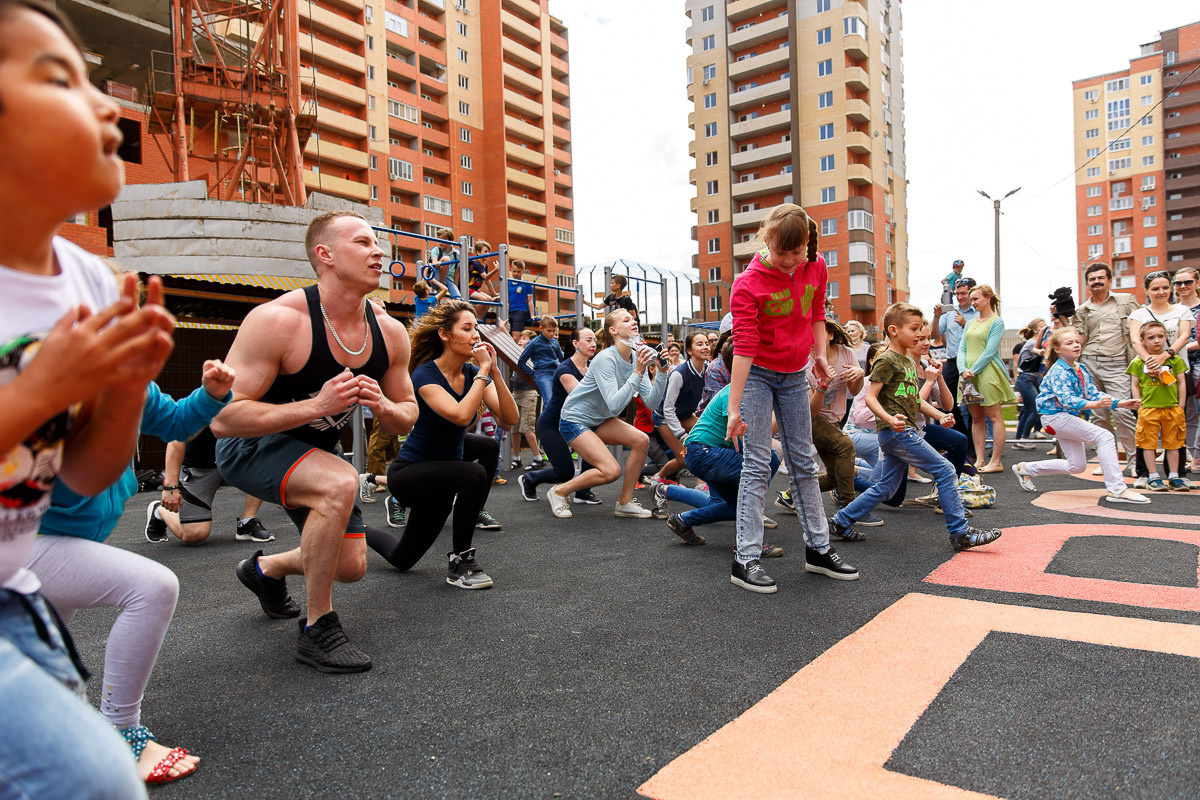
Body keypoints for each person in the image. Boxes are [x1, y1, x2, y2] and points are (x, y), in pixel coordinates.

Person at [0, 3, 175, 793]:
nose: (106, 105)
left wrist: (128, 387)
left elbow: (80, 473)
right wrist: (42, 388)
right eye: (59, 79)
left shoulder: (88, 281)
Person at [213, 210, 418, 674]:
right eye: (362, 242)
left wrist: (385, 408)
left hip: (319, 453)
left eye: (377, 243)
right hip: (251, 445)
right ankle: (317, 628)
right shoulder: (278, 321)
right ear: (325, 255)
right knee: (339, 481)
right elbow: (223, 419)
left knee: (350, 566)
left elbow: (408, 413)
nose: (378, 251)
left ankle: (264, 570)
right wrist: (317, 406)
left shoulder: (389, 332)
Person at [33, 353, 231, 783]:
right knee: (152, 587)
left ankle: (50, 739)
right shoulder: (37, 381)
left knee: (46, 654)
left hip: (66, 540)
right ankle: (121, 733)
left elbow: (177, 422)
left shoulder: (129, 383)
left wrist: (211, 395)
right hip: (24, 541)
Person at [725, 203, 859, 593]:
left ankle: (818, 549)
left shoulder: (815, 265)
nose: (788, 261)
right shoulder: (748, 283)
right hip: (758, 374)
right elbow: (744, 347)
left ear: (807, 244)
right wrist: (733, 408)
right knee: (756, 463)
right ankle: (745, 557)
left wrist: (820, 355)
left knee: (803, 460)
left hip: (794, 372)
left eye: (796, 252)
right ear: (767, 240)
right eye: (781, 252)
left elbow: (816, 312)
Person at [365, 300, 517, 587]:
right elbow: (460, 416)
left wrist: (494, 372)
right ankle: (461, 562)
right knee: (474, 474)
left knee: (402, 559)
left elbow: (509, 419)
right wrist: (483, 372)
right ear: (445, 335)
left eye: (476, 328)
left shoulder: (472, 374)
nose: (475, 335)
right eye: (466, 328)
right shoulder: (425, 374)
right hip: (410, 475)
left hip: (442, 478)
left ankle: (354, 527)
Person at [830, 303, 1003, 551]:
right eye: (914, 329)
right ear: (893, 330)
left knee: (887, 488)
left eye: (921, 330)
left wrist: (941, 416)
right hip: (897, 433)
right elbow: (870, 397)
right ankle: (960, 532)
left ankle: (840, 521)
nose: (919, 335)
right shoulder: (887, 360)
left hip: (901, 432)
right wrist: (890, 419)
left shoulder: (909, 363)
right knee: (945, 469)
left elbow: (915, 400)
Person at [546, 309, 668, 519]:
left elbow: (651, 402)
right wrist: (638, 372)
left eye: (633, 319)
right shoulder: (606, 358)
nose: (634, 322)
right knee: (611, 471)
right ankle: (559, 491)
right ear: (613, 330)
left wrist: (662, 374)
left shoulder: (635, 357)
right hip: (574, 419)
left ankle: (625, 503)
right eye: (626, 320)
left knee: (641, 440)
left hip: (600, 419)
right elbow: (614, 405)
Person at [1012, 328, 1149, 504]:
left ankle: (1026, 469)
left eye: (1077, 341)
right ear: (1058, 349)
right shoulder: (1058, 371)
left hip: (1062, 418)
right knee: (1105, 436)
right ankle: (1117, 489)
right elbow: (1067, 399)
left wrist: (1120, 403)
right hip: (1055, 417)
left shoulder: (1079, 368)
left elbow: (1092, 393)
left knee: (1076, 466)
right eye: (1069, 343)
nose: (1076, 345)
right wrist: (1094, 405)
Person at [519, 327, 601, 505]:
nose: (593, 344)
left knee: (594, 450)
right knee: (565, 472)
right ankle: (530, 479)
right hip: (552, 425)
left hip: (575, 423)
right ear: (575, 343)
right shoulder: (565, 370)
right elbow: (583, 400)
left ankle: (583, 492)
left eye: (594, 340)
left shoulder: (592, 367)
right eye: (588, 340)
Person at [150, 427, 273, 544]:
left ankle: (247, 521)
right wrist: (170, 487)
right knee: (195, 533)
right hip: (200, 467)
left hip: (233, 459)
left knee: (259, 456)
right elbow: (176, 441)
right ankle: (160, 510)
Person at [1127, 271, 1193, 487]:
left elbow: (1184, 336)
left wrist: (1165, 356)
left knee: (1176, 428)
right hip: (1146, 373)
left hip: (1176, 368)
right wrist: (1150, 361)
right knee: (1145, 430)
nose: (1161, 292)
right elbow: (1136, 341)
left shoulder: (1182, 310)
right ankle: (1146, 474)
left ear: (1171, 289)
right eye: (1155, 288)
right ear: (1146, 291)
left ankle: (1176, 474)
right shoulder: (1138, 314)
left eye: (1165, 287)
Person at [1073, 261, 1140, 472]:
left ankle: (1135, 463)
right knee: (1098, 416)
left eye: (1101, 277)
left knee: (1122, 412)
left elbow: (1140, 327)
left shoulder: (1126, 301)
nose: (1096, 281)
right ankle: (1108, 463)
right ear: (1087, 283)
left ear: (1109, 280)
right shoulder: (1082, 310)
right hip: (1089, 363)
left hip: (1118, 363)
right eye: (1092, 279)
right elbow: (1079, 339)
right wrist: (1065, 320)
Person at [808, 320, 868, 518]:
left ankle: (791, 495)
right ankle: (849, 510)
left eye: (817, 333)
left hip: (834, 419)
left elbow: (854, 391)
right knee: (845, 445)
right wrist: (823, 385)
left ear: (831, 335)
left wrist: (859, 375)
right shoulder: (803, 362)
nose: (812, 339)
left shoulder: (846, 354)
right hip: (810, 418)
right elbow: (810, 412)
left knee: (835, 477)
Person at [958, 284, 1016, 473]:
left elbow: (990, 351)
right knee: (976, 418)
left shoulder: (996, 322)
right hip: (968, 376)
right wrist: (962, 370)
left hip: (986, 373)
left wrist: (972, 370)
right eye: (972, 299)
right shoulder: (970, 323)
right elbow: (962, 349)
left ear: (988, 298)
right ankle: (980, 459)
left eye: (976, 299)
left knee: (994, 416)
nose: (972, 302)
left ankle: (996, 461)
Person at [648, 332, 709, 487]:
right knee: (684, 458)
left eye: (707, 344)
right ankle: (658, 477)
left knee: (708, 440)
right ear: (689, 351)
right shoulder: (679, 374)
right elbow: (668, 409)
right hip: (664, 417)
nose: (705, 347)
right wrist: (682, 435)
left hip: (685, 414)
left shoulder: (707, 369)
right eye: (700, 344)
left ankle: (702, 485)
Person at [932, 276, 978, 438]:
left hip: (972, 362)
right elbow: (934, 335)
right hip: (952, 362)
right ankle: (961, 437)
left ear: (972, 293)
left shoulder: (979, 313)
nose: (959, 297)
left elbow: (982, 339)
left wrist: (965, 324)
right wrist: (936, 316)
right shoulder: (949, 312)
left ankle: (972, 446)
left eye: (963, 294)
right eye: (957, 294)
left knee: (974, 405)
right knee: (947, 403)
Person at [1174, 266, 1200, 471]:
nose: (1183, 286)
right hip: (1178, 366)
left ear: (1197, 283)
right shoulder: (1173, 310)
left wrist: (1180, 347)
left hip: (1198, 363)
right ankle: (1193, 456)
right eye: (1178, 283)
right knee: (1187, 414)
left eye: (1188, 282)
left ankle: (1197, 455)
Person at [1012, 319, 1047, 450]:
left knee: (1027, 410)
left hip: (1030, 379)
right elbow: (1038, 351)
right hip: (1025, 379)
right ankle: (1024, 438)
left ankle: (1018, 440)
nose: (1045, 329)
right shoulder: (1032, 343)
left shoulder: (1035, 343)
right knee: (1037, 408)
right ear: (1036, 330)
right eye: (1042, 327)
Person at [519, 314, 565, 405]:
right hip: (543, 373)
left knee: (561, 401)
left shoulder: (555, 342)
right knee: (549, 401)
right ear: (541, 328)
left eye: (553, 331)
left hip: (556, 372)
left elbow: (561, 358)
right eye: (548, 331)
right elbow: (521, 361)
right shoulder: (534, 343)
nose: (552, 334)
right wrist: (532, 373)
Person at [428, 227, 461, 299]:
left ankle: (446, 288)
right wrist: (439, 262)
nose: (440, 242)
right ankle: (442, 286)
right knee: (446, 259)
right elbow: (434, 263)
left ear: (450, 241)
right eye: (439, 239)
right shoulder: (436, 250)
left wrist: (455, 286)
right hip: (436, 278)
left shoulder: (457, 254)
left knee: (457, 298)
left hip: (448, 279)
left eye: (443, 240)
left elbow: (456, 273)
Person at [508, 258, 535, 341]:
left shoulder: (526, 284)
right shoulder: (507, 282)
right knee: (504, 335)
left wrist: (532, 315)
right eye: (514, 271)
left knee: (515, 337)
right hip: (509, 311)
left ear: (523, 271)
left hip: (520, 311)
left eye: (519, 272)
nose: (516, 274)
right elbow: (506, 299)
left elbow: (530, 300)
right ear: (511, 270)